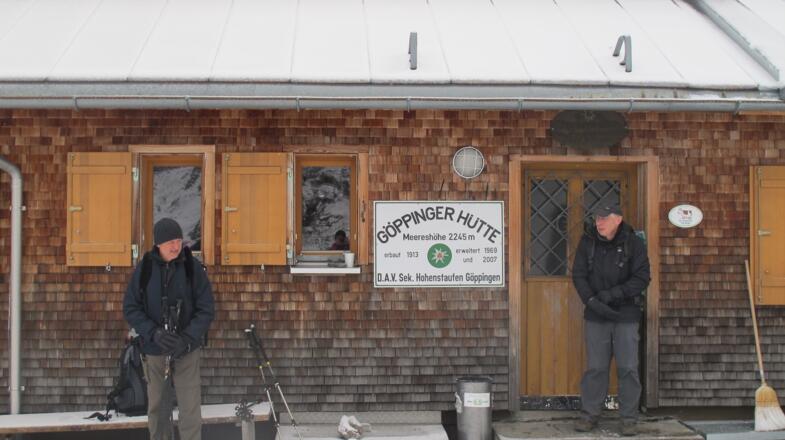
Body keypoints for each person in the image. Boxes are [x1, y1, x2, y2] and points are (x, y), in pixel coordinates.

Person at [123, 218, 215, 440]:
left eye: (178, 240)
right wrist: (153, 332)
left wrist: (187, 338)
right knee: (157, 408)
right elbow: (131, 307)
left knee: (190, 408)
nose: (176, 246)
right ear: (158, 244)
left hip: (187, 349)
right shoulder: (145, 268)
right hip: (154, 350)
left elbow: (206, 309)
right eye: (170, 242)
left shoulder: (192, 268)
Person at [571, 204, 650, 437]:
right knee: (596, 368)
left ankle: (628, 419)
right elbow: (578, 275)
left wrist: (612, 295)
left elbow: (642, 278)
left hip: (626, 315)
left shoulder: (634, 243)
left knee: (628, 368)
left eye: (604, 218)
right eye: (597, 217)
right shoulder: (588, 242)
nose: (599, 222)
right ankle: (589, 415)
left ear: (618, 220)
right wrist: (592, 301)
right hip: (596, 314)